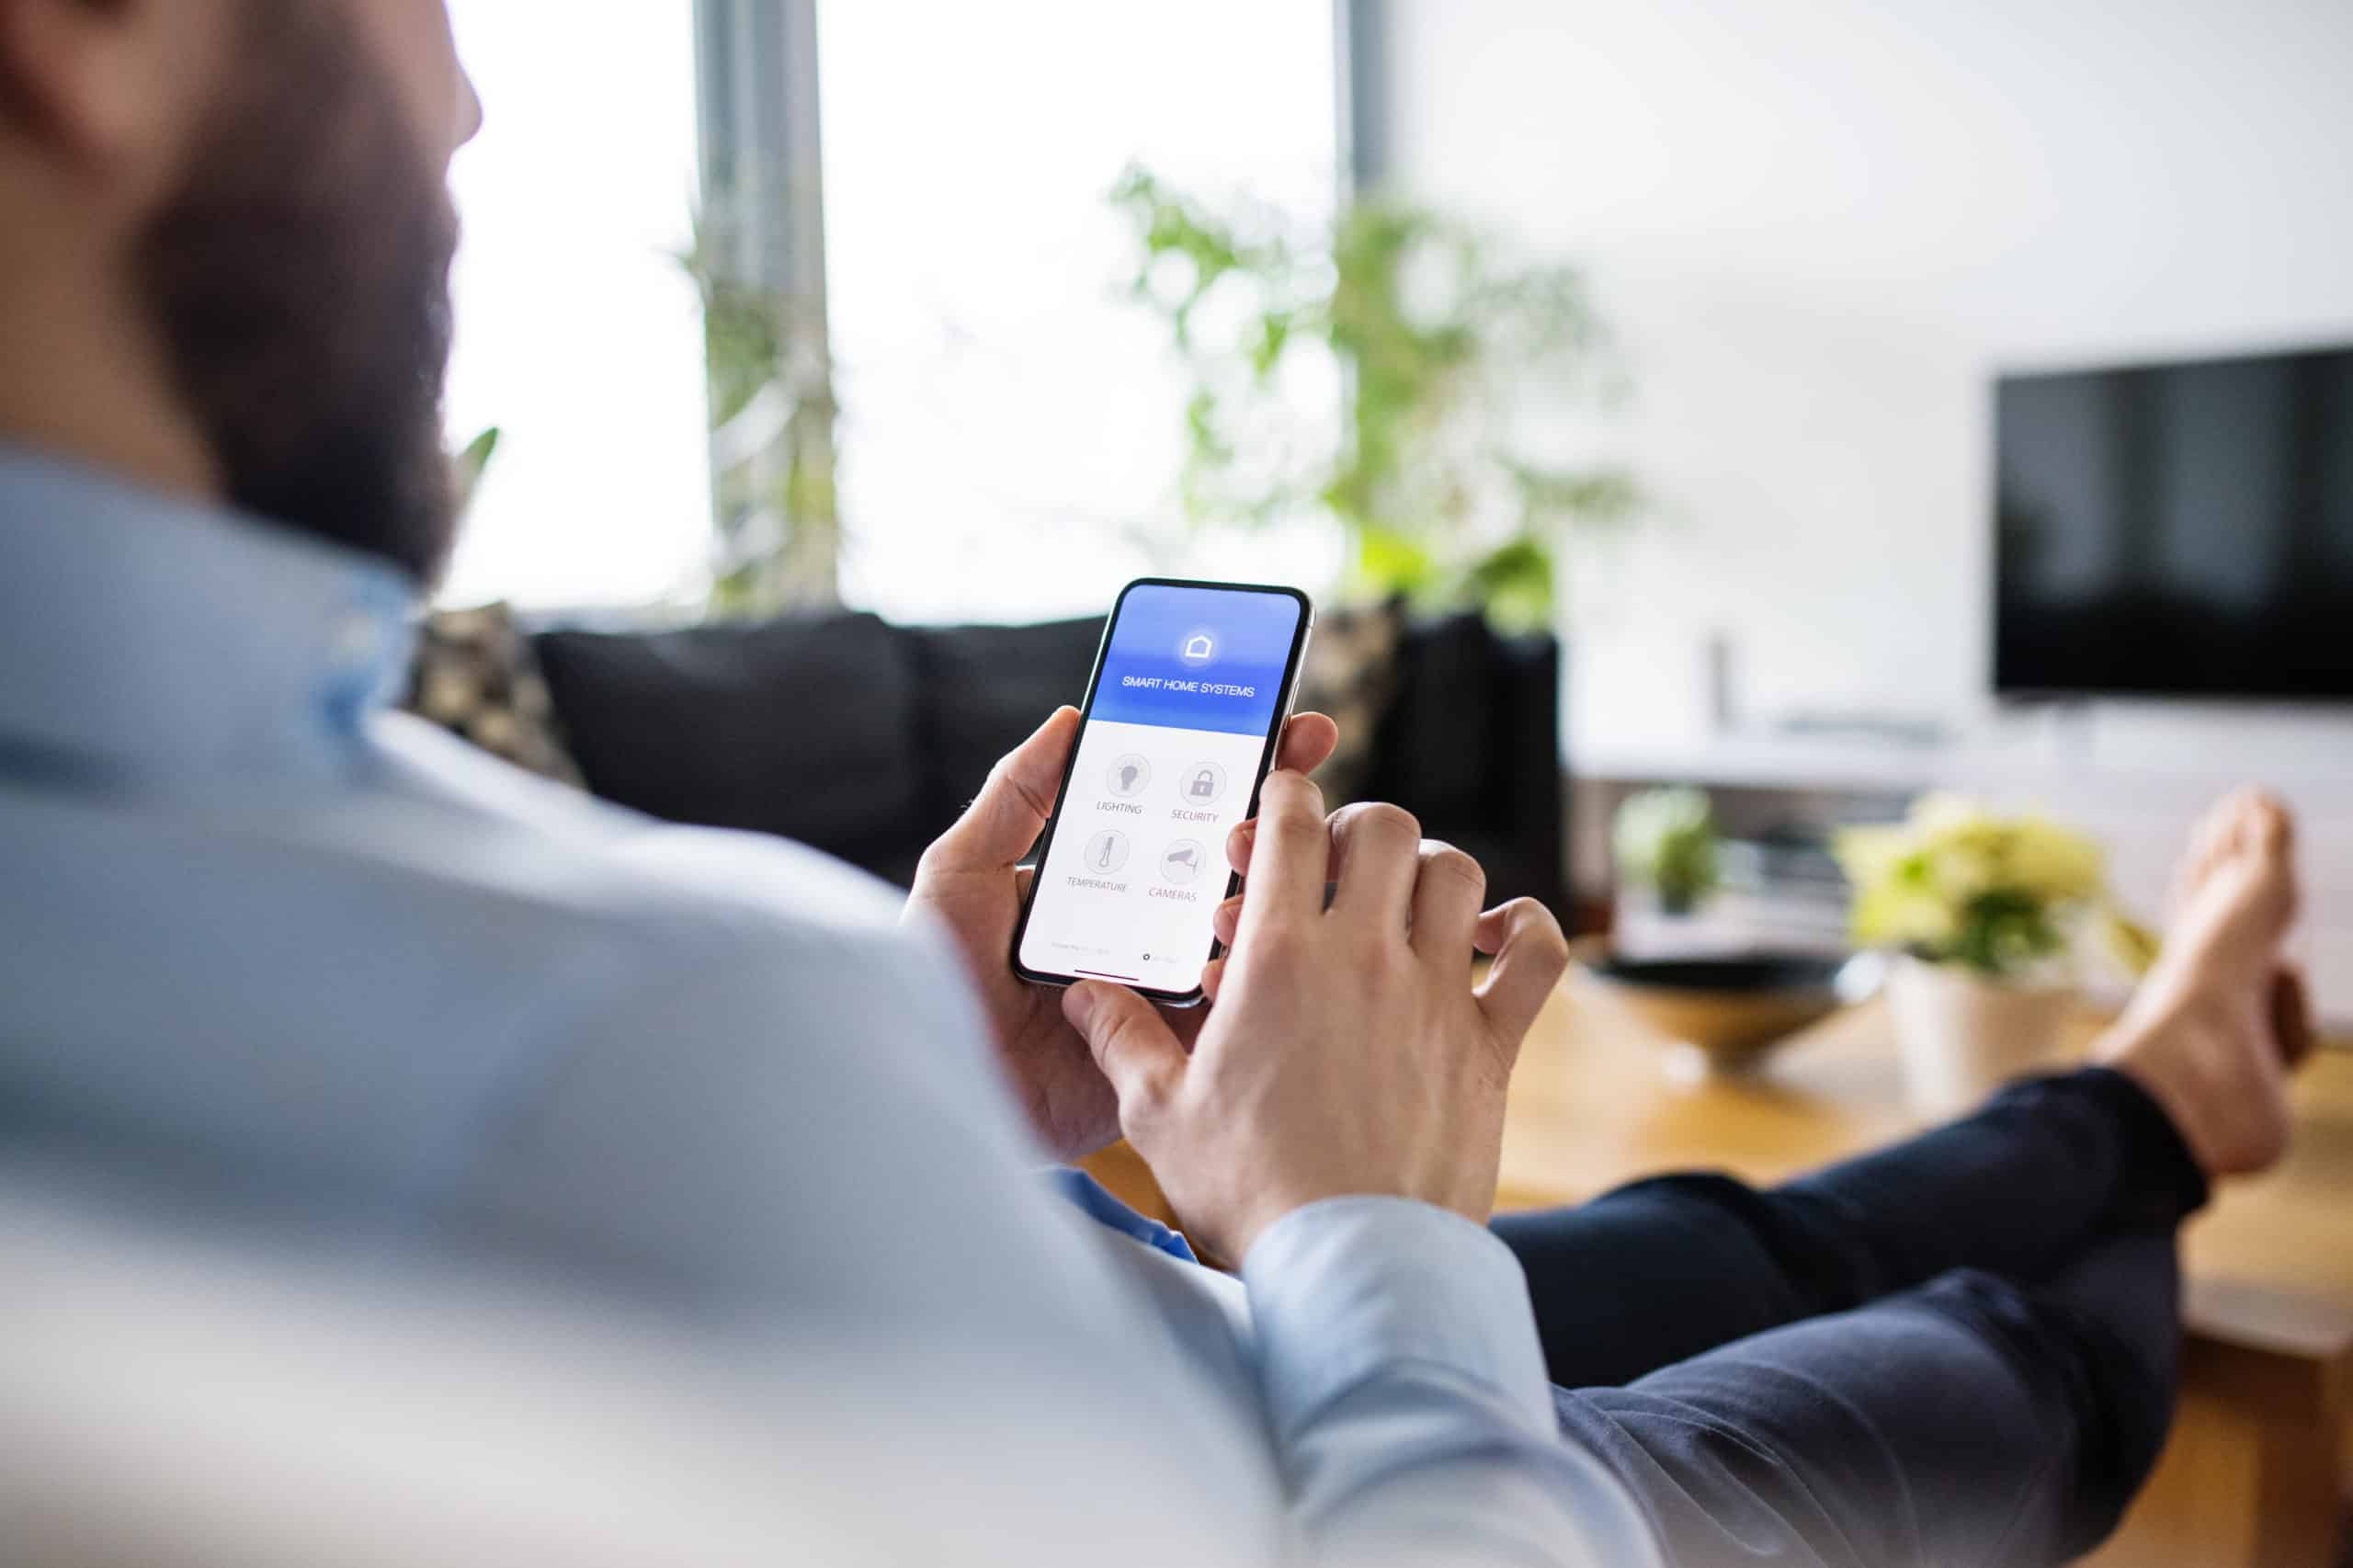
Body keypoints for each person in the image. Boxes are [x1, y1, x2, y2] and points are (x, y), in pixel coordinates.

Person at [0, 1, 2313, 1563]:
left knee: (1751, 1231)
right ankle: (2152, 1117)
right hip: (1396, 1473)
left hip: (1136, 1302)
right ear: (84, 31)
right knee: (2009, 1339)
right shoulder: (622, 1047)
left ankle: (2144, 1073)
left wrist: (938, 1107)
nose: (469, 95)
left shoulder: (217, 840)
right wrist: (1360, 1227)